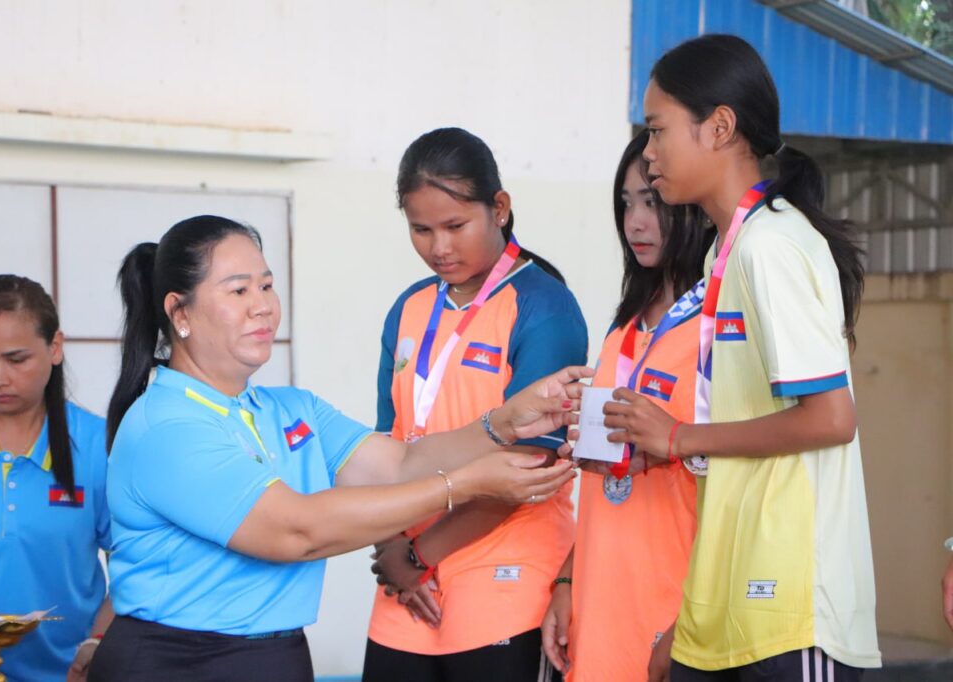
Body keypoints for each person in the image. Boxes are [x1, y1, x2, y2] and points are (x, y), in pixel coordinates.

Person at [88, 215, 589, 682]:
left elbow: (401, 463)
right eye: (239, 290)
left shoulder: (291, 409)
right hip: (177, 662)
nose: (262, 305)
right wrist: (464, 485)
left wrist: (503, 423)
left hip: (276, 655)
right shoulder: (166, 425)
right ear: (180, 312)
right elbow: (297, 531)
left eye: (266, 285)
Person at [600, 34, 879, 680]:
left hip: (791, 610)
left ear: (720, 127)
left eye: (657, 129)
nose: (648, 151)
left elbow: (831, 418)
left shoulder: (770, 246)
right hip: (729, 604)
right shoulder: (726, 251)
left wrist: (678, 436)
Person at [362, 127, 587, 682]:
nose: (438, 247)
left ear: (499, 209)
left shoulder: (544, 306)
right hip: (405, 583)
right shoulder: (409, 307)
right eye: (421, 229)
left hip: (505, 579)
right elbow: (384, 446)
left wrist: (417, 556)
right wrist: (391, 545)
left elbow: (532, 465)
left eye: (455, 226)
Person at [541, 130, 712, 681]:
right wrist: (567, 580)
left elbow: (738, 486)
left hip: (675, 614)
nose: (635, 222)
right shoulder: (623, 329)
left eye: (653, 202)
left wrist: (690, 622)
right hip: (598, 612)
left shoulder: (718, 329)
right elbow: (600, 487)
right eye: (626, 203)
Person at [0, 275, 112, 682]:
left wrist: (97, 642)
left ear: (55, 348)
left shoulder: (97, 445)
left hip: (67, 674)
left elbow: (137, 565)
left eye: (16, 359)